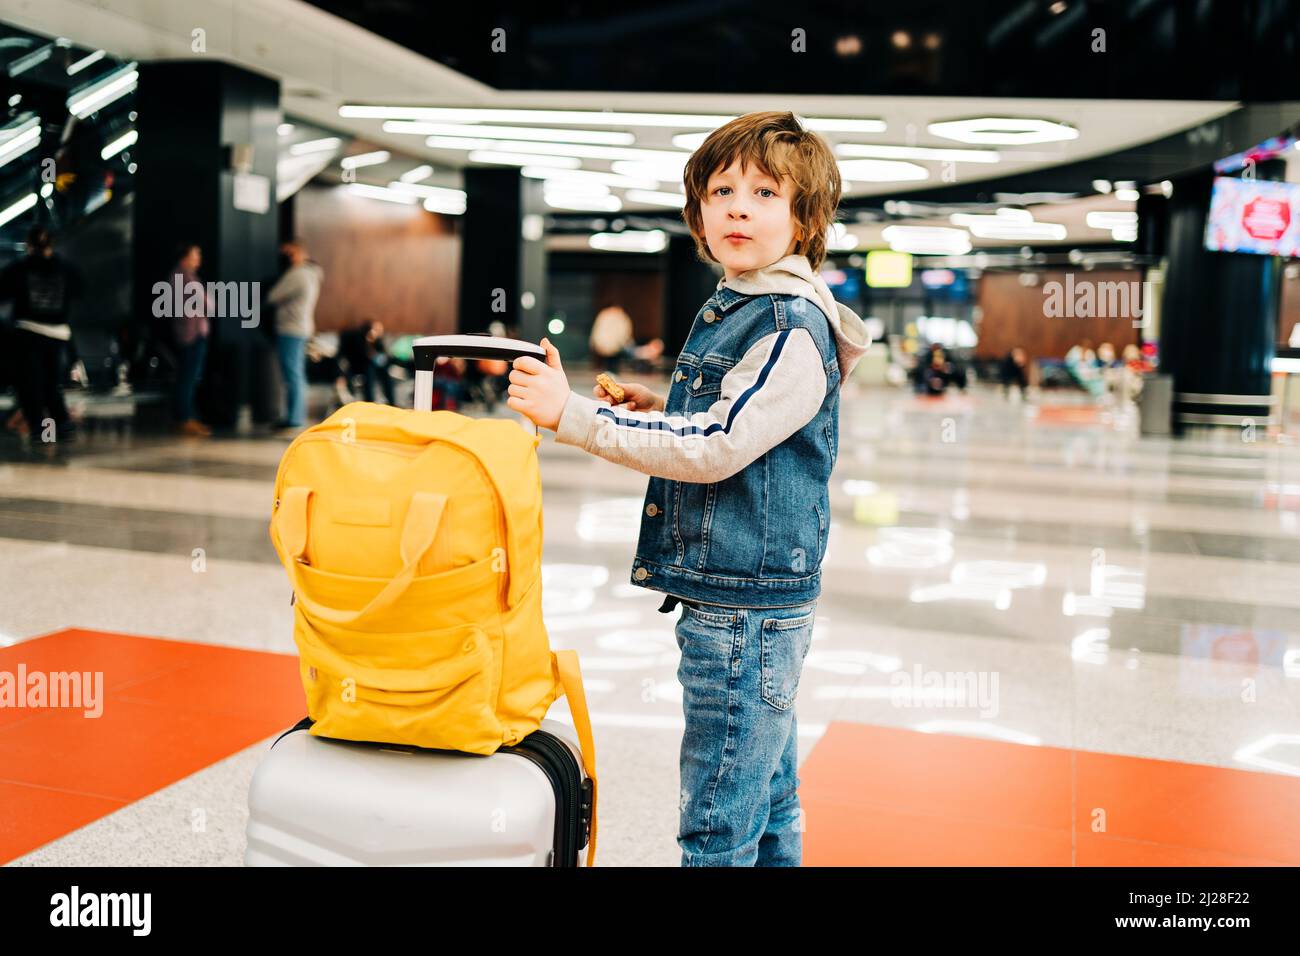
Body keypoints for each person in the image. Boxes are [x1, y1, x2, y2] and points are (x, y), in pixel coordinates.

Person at [507, 111, 870, 866]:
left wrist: (572, 416)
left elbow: (717, 447)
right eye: (721, 189)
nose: (738, 205)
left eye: (767, 193)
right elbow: (723, 419)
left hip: (743, 609)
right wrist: (658, 409)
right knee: (765, 798)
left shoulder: (786, 323)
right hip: (746, 599)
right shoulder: (744, 302)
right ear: (698, 213)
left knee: (715, 823)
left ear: (805, 219)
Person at [0, 226, 85, 448]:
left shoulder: (20, 268)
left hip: (29, 332)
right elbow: (80, 288)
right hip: (58, 334)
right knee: (51, 383)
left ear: (29, 245)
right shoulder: (64, 269)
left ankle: (42, 431)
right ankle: (63, 426)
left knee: (31, 385)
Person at [267, 238, 323, 432]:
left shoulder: (298, 274)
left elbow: (273, 296)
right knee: (296, 373)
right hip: (302, 327)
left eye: (289, 253)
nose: (286, 258)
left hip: (291, 329)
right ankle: (294, 416)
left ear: (298, 252)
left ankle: (293, 418)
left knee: (292, 374)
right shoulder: (312, 274)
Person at [169, 242, 213, 437]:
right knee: (187, 378)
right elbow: (208, 304)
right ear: (185, 257)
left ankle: (188, 417)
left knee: (189, 378)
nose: (198, 259)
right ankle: (185, 419)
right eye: (195, 255)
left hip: (193, 334)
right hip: (190, 335)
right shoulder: (183, 277)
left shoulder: (187, 277)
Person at [337, 318, 397, 405]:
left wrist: (374, 344)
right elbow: (361, 356)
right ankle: (369, 402)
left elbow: (383, 355)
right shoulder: (358, 340)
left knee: (385, 373)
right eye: (376, 329)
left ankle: (391, 402)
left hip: (375, 368)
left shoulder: (377, 341)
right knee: (369, 371)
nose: (378, 332)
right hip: (359, 367)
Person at [589, 304, 635, 373]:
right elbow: (625, 332)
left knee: (608, 365)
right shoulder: (620, 317)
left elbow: (597, 330)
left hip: (605, 345)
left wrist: (595, 342)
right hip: (614, 346)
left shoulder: (604, 315)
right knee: (612, 366)